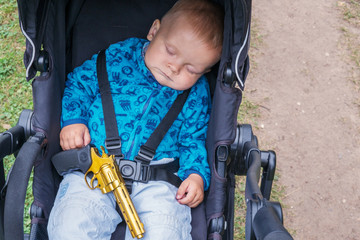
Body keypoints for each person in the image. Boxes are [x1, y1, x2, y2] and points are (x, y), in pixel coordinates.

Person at [48, 0, 224, 239]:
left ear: (204, 73)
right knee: (72, 224)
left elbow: (194, 139)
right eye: (171, 51)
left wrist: (195, 175)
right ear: (154, 31)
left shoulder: (196, 94)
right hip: (94, 166)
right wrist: (74, 120)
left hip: (158, 179)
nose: (174, 67)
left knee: (165, 231)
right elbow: (80, 84)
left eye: (191, 69)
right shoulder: (117, 58)